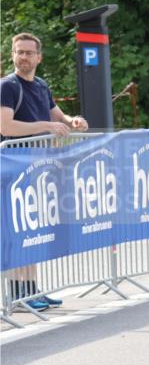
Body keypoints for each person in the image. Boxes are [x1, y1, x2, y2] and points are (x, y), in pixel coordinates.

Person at [1, 33, 89, 312]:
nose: (24, 57)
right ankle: (17, 296)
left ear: (39, 57)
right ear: (12, 55)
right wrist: (46, 127)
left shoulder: (40, 85)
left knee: (33, 230)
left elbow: (58, 117)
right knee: (17, 231)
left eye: (29, 52)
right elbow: (6, 127)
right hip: (14, 168)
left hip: (37, 168)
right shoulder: (7, 86)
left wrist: (72, 121)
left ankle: (31, 289)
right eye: (19, 52)